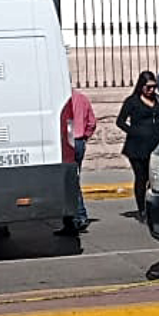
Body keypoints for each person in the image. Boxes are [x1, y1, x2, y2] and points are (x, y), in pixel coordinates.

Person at [118, 71, 159, 216]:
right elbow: (120, 121)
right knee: (141, 177)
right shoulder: (132, 101)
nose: (151, 90)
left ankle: (152, 208)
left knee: (153, 178)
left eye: (153, 87)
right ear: (141, 86)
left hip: (153, 144)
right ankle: (141, 209)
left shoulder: (157, 99)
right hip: (137, 146)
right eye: (148, 87)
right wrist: (134, 132)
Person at [58, 87, 98, 236]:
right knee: (74, 178)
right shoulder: (82, 98)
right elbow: (92, 122)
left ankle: (78, 217)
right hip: (79, 140)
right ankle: (75, 217)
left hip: (67, 141)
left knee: (68, 181)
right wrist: (85, 136)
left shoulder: (60, 99)